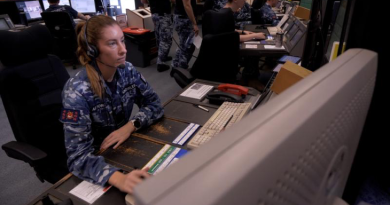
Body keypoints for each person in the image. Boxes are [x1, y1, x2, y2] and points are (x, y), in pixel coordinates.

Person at [60, 15, 164, 194]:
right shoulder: (76, 91)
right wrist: (119, 179)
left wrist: (131, 125)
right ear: (93, 50)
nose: (123, 50)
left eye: (122, 41)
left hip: (123, 147)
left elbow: (154, 104)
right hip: (97, 161)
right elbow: (77, 157)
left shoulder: (127, 71)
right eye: (112, 43)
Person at [141, 0, 173, 72]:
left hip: (154, 13)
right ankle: (160, 63)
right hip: (163, 14)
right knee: (166, 39)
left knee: (159, 36)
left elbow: (143, 1)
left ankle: (163, 56)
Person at [172, 0, 198, 69]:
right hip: (184, 19)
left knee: (183, 44)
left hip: (180, 17)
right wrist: (194, 23)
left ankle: (175, 66)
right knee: (188, 46)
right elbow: (187, 5)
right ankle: (181, 69)